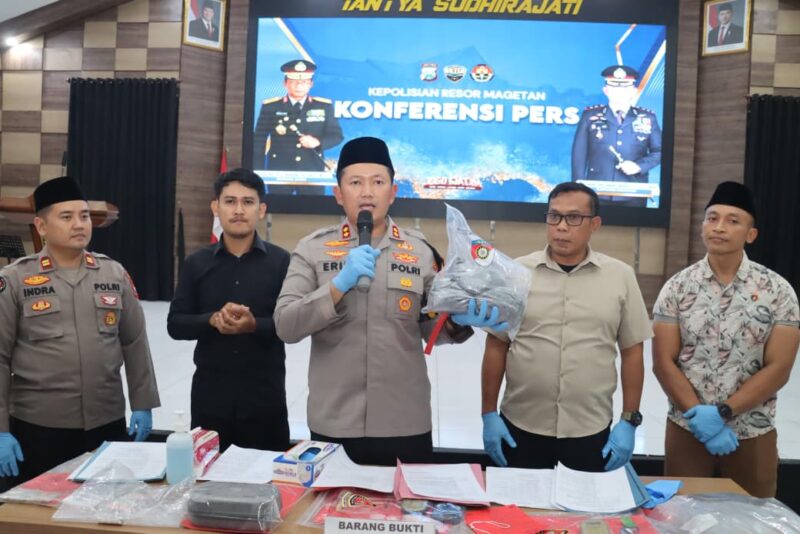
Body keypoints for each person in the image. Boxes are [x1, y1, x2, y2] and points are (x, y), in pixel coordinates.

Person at [274, 136, 504, 466]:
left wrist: (458, 320)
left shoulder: (421, 252)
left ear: (393, 192)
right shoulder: (312, 249)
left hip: (404, 421)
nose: (367, 192)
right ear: (338, 194)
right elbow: (286, 325)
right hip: (334, 421)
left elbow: (431, 329)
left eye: (378, 182)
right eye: (355, 182)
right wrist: (337, 286)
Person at [481, 182, 653, 471]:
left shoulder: (620, 276)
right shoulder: (517, 273)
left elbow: (633, 352)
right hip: (521, 426)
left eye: (573, 218)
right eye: (554, 216)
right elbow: (497, 345)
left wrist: (629, 420)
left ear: (594, 224)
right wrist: (488, 413)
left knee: (585, 503)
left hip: (589, 428)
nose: (561, 226)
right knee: (519, 501)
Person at [0, 177, 160, 484]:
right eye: (66, 217)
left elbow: (135, 342)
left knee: (102, 508)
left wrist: (143, 404)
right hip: (39, 428)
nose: (79, 224)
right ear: (41, 226)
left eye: (84, 216)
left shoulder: (113, 273)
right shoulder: (15, 279)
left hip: (106, 423)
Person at [652, 181, 799, 498]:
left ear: (751, 234)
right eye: (712, 218)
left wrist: (722, 413)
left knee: (753, 515)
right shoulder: (677, 287)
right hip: (688, 427)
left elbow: (779, 368)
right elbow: (663, 362)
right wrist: (698, 415)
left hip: (751, 429)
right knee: (683, 515)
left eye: (733, 221)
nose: (719, 227)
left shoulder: (778, 291)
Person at [167, 169, 291, 452]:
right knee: (207, 477)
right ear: (216, 207)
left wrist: (254, 325)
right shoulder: (196, 263)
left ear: (261, 210)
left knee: (266, 476)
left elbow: (291, 325)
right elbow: (175, 324)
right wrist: (211, 320)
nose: (238, 210)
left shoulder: (282, 262)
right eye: (230, 201)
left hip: (265, 403)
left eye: (248, 202)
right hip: (210, 403)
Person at [571, 65, 662, 207]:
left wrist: (638, 166)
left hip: (634, 192)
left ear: (633, 91)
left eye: (625, 88)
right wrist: (577, 190)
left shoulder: (648, 117)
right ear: (605, 90)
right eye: (614, 87)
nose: (619, 92)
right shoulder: (590, 116)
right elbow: (579, 155)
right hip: (596, 192)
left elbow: (660, 151)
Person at [252, 59, 344, 195]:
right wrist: (256, 173)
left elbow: (337, 136)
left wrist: (318, 142)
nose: (299, 85)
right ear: (285, 83)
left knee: (313, 208)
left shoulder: (324, 106)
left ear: (311, 84)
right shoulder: (271, 107)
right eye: (294, 81)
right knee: (278, 207)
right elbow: (259, 140)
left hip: (312, 170)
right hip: (279, 170)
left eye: (304, 82)